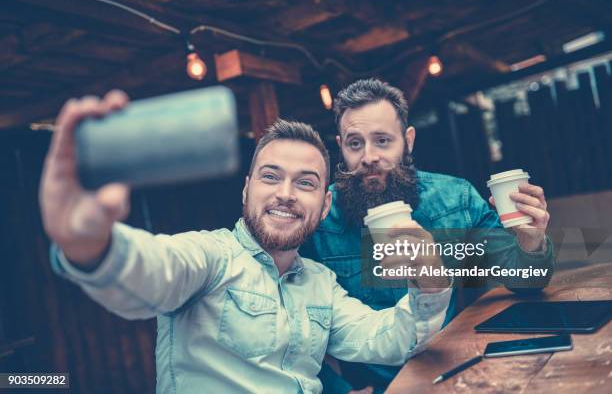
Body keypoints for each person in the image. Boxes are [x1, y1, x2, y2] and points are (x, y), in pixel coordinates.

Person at [39, 90, 452, 394]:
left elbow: (390, 338)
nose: (286, 193)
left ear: (324, 205)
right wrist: (91, 243)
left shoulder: (321, 283)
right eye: (271, 177)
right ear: (246, 190)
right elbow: (150, 270)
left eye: (305, 183)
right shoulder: (211, 257)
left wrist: (430, 283)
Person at [300, 78, 555, 392]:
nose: (368, 157)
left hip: (451, 375)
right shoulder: (318, 218)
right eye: (355, 144)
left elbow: (526, 282)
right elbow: (297, 329)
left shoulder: (455, 200)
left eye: (382, 140)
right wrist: (337, 390)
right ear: (341, 146)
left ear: (408, 140)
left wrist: (531, 240)